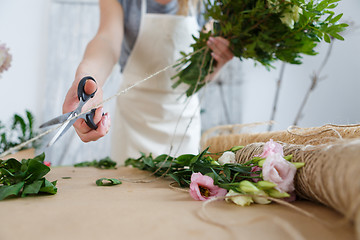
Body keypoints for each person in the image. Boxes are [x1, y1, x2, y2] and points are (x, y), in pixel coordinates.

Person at [62, 0, 234, 163]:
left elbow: (200, 73)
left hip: (182, 126)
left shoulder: (206, 4)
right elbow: (106, 40)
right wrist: (86, 77)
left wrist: (218, 63)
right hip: (133, 124)